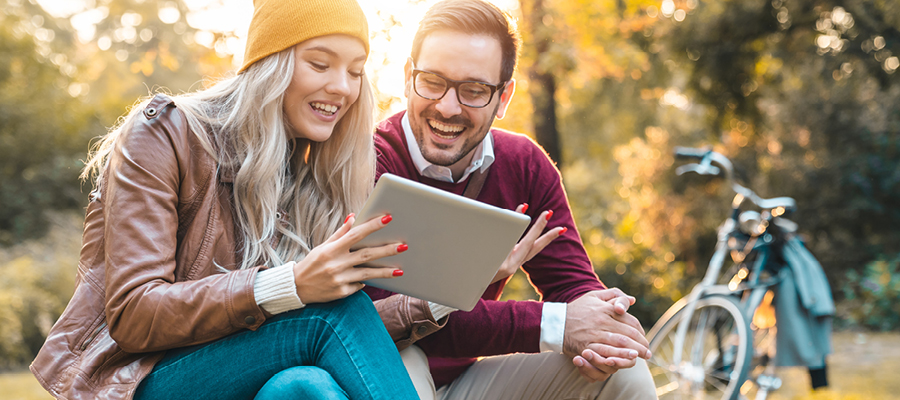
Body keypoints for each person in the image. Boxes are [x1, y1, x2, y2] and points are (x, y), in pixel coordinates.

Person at [29, 0, 419, 399]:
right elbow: (134, 313)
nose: (342, 86)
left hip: (242, 373)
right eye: (320, 65)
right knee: (334, 314)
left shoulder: (305, 170)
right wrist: (291, 284)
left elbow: (346, 342)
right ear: (272, 63)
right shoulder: (165, 133)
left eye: (355, 71)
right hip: (142, 382)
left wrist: (445, 301)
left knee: (303, 388)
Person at [364, 1, 658, 399]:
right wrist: (556, 324)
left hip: (467, 383)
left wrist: (603, 326)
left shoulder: (524, 165)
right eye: (432, 81)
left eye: (473, 90)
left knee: (624, 369)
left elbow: (570, 284)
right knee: (406, 359)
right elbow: (375, 316)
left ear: (503, 98)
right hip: (380, 374)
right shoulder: (368, 162)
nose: (447, 107)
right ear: (406, 77)